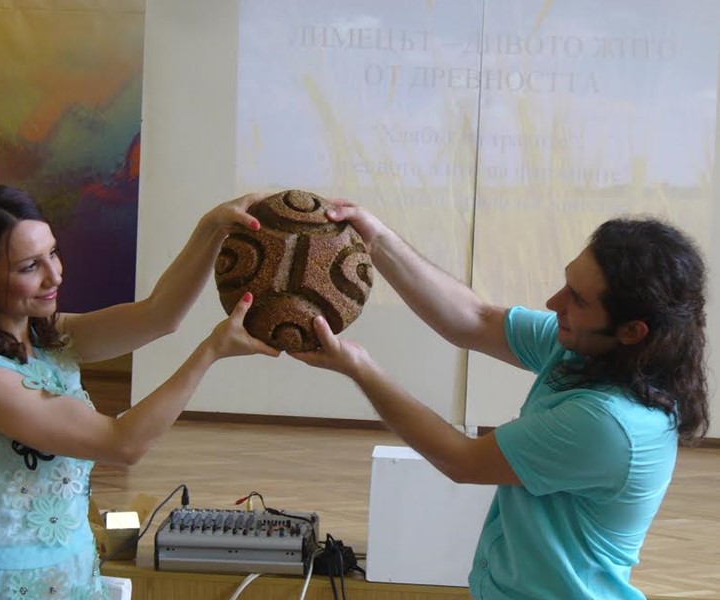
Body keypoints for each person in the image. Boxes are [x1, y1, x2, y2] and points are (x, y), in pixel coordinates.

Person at [293, 203, 709, 600]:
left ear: (632, 331)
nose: (554, 303)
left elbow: (461, 460)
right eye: (567, 284)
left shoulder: (609, 423)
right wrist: (378, 239)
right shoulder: (593, 349)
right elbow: (475, 319)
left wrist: (360, 369)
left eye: (578, 300)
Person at [0, 184, 279, 599]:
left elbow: (159, 315)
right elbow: (122, 443)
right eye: (29, 266)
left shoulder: (48, 337)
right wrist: (210, 352)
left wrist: (212, 229)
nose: (55, 275)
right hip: (6, 588)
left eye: (53, 253)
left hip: (74, 576)